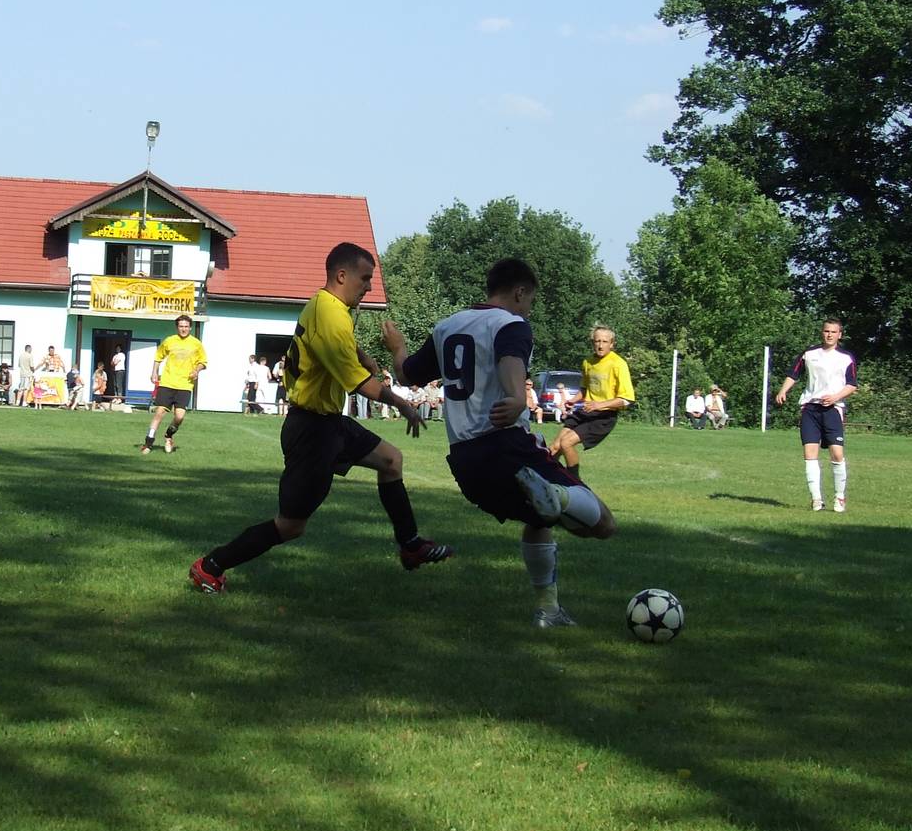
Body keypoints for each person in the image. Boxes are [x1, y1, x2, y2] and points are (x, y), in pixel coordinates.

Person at [189, 241, 453, 594]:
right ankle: (210, 566)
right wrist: (401, 403)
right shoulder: (331, 314)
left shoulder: (325, 305)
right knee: (290, 526)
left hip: (328, 423)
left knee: (391, 460)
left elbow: (336, 342)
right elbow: (359, 384)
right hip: (311, 431)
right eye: (365, 278)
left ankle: (411, 545)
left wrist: (362, 355)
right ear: (341, 275)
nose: (369, 286)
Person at [383, 258, 617, 628]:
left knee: (537, 520)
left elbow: (406, 373)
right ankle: (559, 497)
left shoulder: (447, 326)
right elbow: (510, 361)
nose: (529, 309)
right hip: (507, 445)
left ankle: (549, 612)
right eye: (530, 300)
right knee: (603, 523)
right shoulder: (511, 324)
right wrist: (517, 396)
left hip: (465, 462)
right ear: (519, 292)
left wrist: (398, 346)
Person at [774, 318, 858, 513]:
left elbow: (852, 385)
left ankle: (839, 497)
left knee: (837, 454)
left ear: (840, 335)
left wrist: (835, 397)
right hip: (810, 409)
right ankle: (816, 499)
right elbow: (793, 374)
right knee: (810, 453)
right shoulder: (809, 353)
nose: (829, 335)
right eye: (826, 331)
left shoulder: (846, 358)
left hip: (833, 409)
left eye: (833, 332)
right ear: (822, 332)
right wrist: (783, 390)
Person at [548, 327, 634, 469]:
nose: (600, 345)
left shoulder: (618, 364)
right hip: (586, 411)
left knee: (566, 443)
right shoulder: (588, 362)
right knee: (554, 447)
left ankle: (574, 479)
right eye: (597, 341)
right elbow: (585, 389)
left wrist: (598, 405)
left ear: (612, 344)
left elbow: (627, 399)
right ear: (592, 342)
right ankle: (549, 476)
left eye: (605, 342)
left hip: (603, 416)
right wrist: (573, 400)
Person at [141, 314, 208, 454]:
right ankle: (148, 443)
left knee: (179, 416)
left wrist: (196, 370)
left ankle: (168, 436)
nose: (183, 329)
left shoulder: (196, 343)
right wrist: (154, 372)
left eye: (186, 326)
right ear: (177, 327)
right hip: (167, 382)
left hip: (185, 384)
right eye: (181, 326)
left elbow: (203, 362)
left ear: (190, 328)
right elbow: (158, 357)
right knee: (159, 412)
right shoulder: (169, 341)